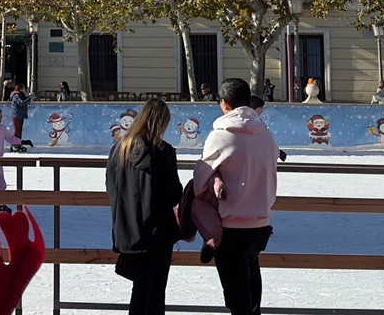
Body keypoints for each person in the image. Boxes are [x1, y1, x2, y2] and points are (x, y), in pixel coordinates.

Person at [200, 77, 279, 315]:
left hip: (230, 227)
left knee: (237, 298)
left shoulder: (220, 136)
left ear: (224, 104)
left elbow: (199, 180)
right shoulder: (266, 135)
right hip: (261, 225)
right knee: (252, 289)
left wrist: (215, 179)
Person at [105, 98, 183, 315]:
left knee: (139, 290)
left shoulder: (118, 149)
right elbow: (173, 193)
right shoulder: (162, 151)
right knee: (155, 293)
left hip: (128, 231)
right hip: (157, 233)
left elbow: (111, 188)